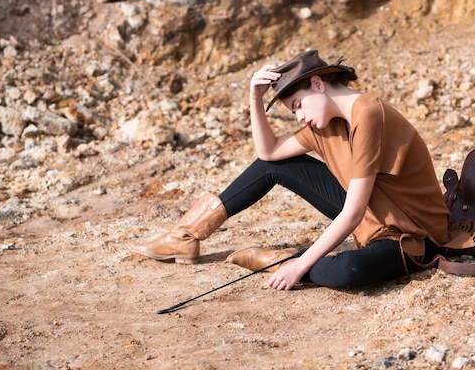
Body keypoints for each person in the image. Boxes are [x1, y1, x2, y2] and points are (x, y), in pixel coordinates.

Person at [129, 49, 453, 290]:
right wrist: (254, 99)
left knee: (347, 272)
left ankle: (282, 262)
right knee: (274, 164)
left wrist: (301, 265)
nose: (299, 116)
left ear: (317, 84)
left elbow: (352, 213)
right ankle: (184, 236)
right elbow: (268, 153)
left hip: (411, 235)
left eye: (298, 105)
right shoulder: (324, 123)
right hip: (373, 215)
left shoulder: (369, 114)